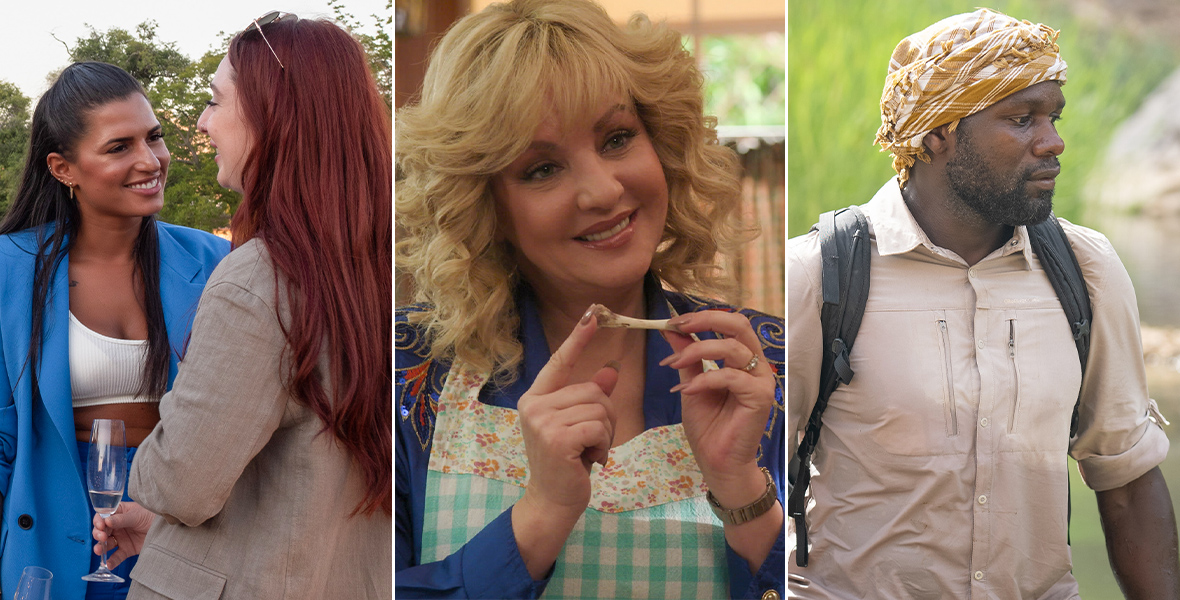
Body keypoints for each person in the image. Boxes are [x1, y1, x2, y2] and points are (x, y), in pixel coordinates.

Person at [395, 1, 785, 598]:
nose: (603, 191)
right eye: (542, 168)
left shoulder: (768, 366)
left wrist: (743, 494)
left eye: (618, 138)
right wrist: (541, 516)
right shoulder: (397, 373)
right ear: (484, 205)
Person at [788, 9, 1180, 599]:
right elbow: (754, 475)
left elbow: (1125, 479)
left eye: (1053, 116)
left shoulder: (1086, 268)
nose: (1053, 142)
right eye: (1021, 119)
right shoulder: (819, 273)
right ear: (938, 132)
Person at [88, 13, 392, 599]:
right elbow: (310, 481)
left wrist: (153, 474)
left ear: (270, 114)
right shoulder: (375, 272)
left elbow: (181, 481)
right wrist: (165, 533)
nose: (201, 123)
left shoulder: (260, 278)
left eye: (214, 100)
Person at [0, 62, 230, 600]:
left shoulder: (217, 261)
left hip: (180, 518)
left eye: (154, 137)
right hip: (50, 513)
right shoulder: (11, 269)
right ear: (63, 168)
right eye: (119, 147)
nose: (150, 161)